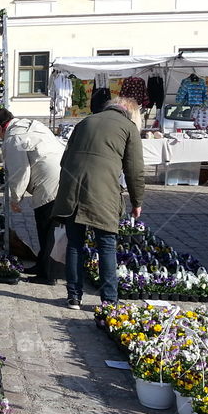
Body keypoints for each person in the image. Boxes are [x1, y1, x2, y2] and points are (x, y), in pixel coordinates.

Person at [52, 96, 145, 310]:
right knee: (106, 245)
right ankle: (109, 300)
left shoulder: (85, 122)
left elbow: (64, 160)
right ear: (131, 112)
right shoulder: (128, 127)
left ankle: (74, 297)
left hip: (71, 189)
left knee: (74, 243)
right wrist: (136, 201)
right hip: (102, 192)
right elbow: (135, 170)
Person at [0, 108, 64, 285]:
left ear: (0, 127)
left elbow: (20, 172)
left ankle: (48, 274)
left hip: (48, 182)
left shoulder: (14, 137)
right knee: (50, 226)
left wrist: (15, 199)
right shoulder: (31, 125)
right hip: (63, 174)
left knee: (47, 226)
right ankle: (43, 265)